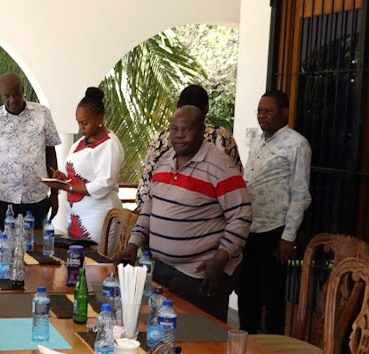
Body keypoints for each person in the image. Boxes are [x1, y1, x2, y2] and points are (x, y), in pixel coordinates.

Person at [114, 106, 252, 322]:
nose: (179, 135)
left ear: (202, 131)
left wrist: (221, 258)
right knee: (162, 337)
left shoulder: (221, 166)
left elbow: (241, 216)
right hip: (163, 270)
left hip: (200, 275)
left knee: (199, 345)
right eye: (174, 129)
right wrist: (133, 244)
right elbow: (150, 207)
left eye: (186, 129)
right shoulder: (164, 160)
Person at [238, 90, 312, 334]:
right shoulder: (257, 141)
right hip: (250, 228)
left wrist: (288, 236)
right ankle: (247, 346)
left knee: (272, 296)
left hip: (275, 231)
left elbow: (300, 194)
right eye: (260, 111)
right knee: (246, 291)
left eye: (268, 111)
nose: (262, 116)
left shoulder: (297, 144)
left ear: (284, 112)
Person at [136, 84, 241, 210]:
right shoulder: (222, 137)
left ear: (177, 106)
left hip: (155, 212)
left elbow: (145, 190)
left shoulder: (158, 139)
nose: (180, 136)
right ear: (207, 108)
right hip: (205, 216)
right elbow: (236, 177)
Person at [0, 72, 61, 228]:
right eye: (7, 96)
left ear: (23, 90)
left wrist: (55, 193)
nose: (12, 100)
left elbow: (50, 152)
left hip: (35, 198)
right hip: (0, 198)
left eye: (17, 94)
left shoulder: (42, 114)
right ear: (0, 95)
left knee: (33, 248)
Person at [43, 87, 124, 243]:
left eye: (85, 123)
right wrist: (64, 179)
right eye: (79, 123)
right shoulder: (81, 142)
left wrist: (69, 188)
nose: (81, 127)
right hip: (76, 216)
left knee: (93, 261)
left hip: (99, 216)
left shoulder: (110, 145)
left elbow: (104, 184)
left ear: (100, 119)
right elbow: (81, 176)